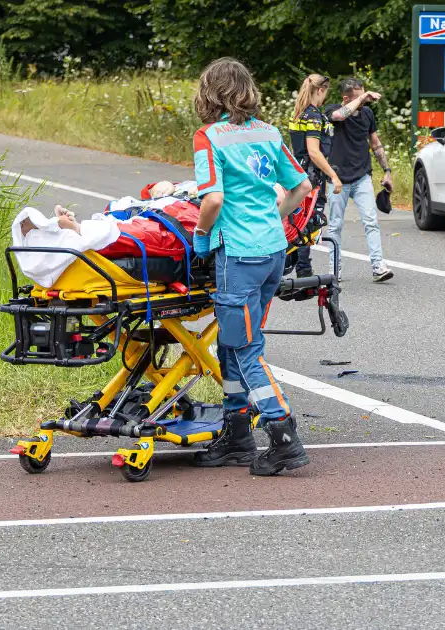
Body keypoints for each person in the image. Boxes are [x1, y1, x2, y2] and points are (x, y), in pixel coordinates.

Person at [188, 57, 314, 476]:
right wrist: (272, 219)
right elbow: (301, 186)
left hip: (238, 257)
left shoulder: (209, 137)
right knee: (231, 343)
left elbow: (213, 200)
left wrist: (201, 241)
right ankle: (237, 432)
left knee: (243, 348)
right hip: (273, 252)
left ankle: (282, 434)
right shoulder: (268, 132)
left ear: (209, 93)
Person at [324, 77, 394, 283]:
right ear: (346, 98)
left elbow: (375, 143)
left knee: (371, 221)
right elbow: (339, 116)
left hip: (362, 175)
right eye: (360, 98)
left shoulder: (367, 113)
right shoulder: (332, 109)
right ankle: (334, 269)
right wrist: (362, 97)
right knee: (335, 225)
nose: (364, 103)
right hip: (337, 177)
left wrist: (387, 170)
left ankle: (378, 266)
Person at [286, 73, 342, 278]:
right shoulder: (314, 116)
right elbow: (314, 151)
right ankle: (303, 269)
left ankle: (298, 266)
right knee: (309, 220)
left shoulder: (299, 113)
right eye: (326, 92)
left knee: (297, 218)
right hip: (312, 176)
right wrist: (333, 175)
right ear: (320, 90)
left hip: (297, 173)